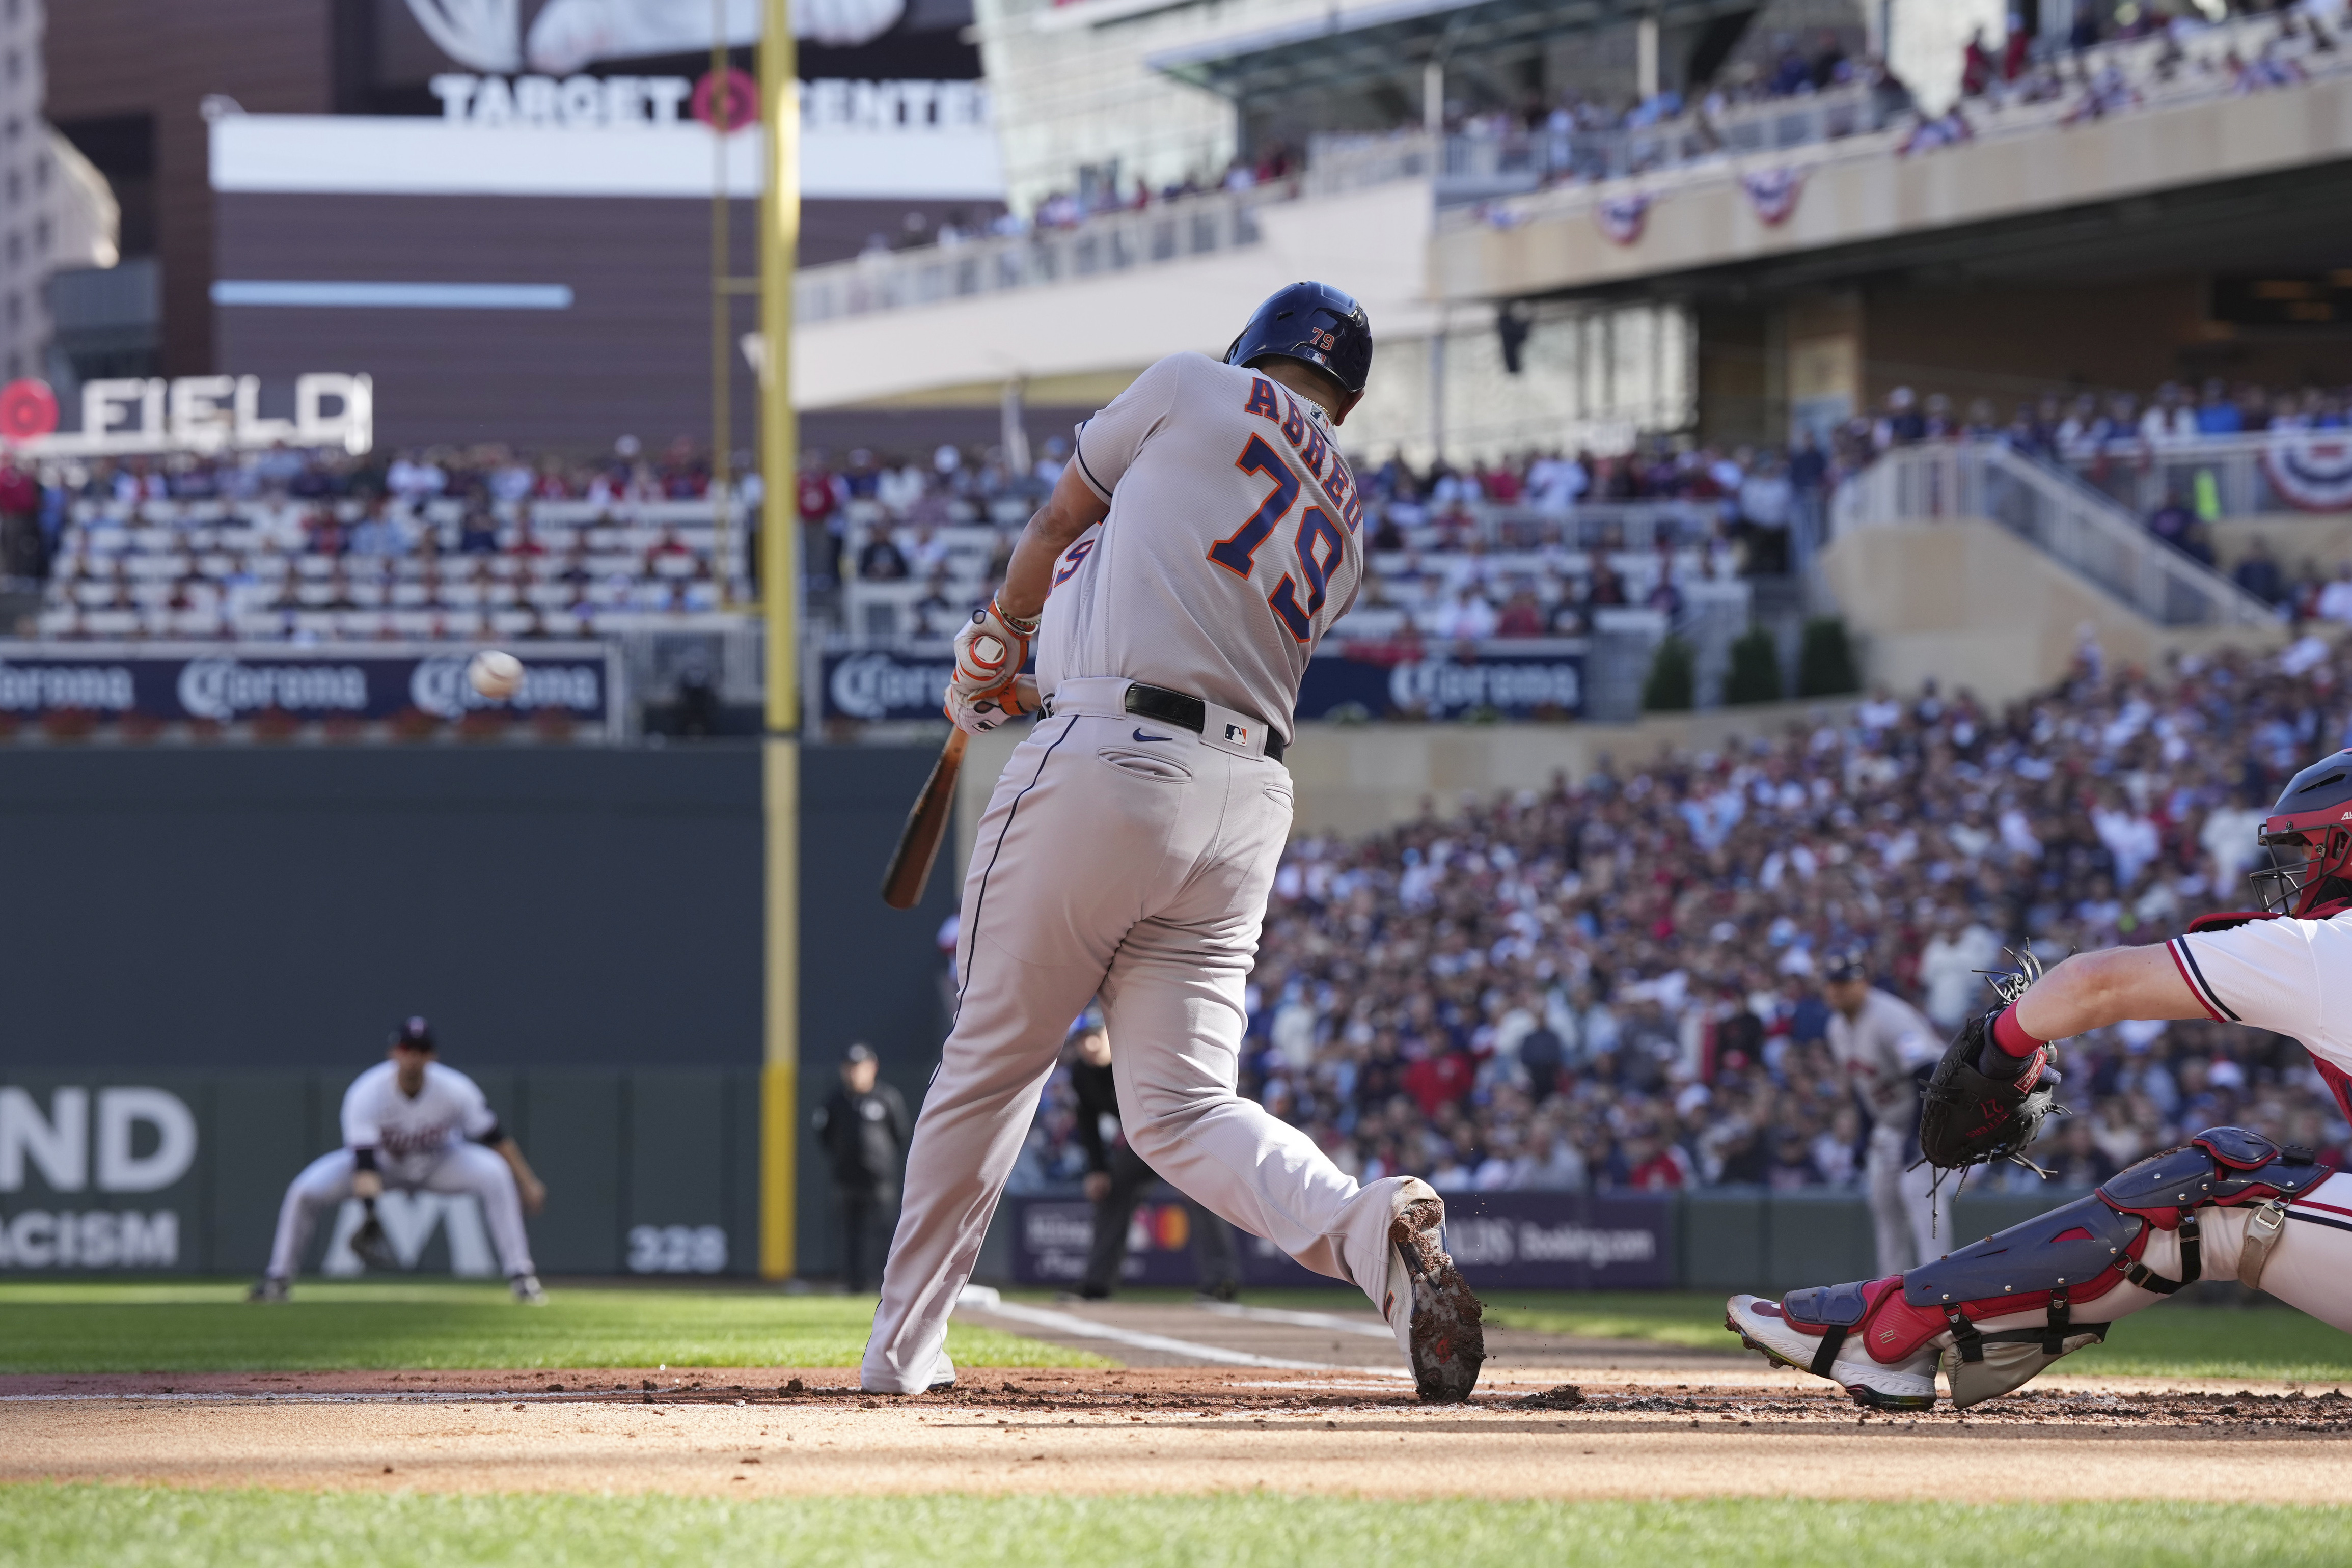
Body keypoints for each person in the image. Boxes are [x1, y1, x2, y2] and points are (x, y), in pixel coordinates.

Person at [859, 281, 1486, 1402]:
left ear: (1253, 346)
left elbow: (1059, 531)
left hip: (1114, 761)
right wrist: (1016, 676)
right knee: (1185, 1106)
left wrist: (997, 641)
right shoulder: (1344, 521)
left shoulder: (1191, 383)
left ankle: (902, 1354)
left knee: (994, 1058)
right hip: (1242, 802)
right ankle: (1362, 1227)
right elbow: (1157, 592)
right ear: (1340, 397)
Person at [1729, 750, 2352, 1411]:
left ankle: (1889, 1327)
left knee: (2216, 1190)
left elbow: (2094, 981)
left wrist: (2004, 1046)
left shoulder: (2330, 947)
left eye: (2312, 847)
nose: (2298, 870)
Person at [249, 1017, 547, 1303]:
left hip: (441, 1163)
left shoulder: (456, 1090)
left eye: (421, 1050)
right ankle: (279, 1278)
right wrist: (369, 1213)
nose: (413, 1057)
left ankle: (522, 1274)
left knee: (495, 1172)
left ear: (432, 1056)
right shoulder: (367, 1091)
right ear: (393, 1052)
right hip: (383, 1166)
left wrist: (528, 1181)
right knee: (305, 1190)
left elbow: (494, 1137)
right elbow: (364, 1162)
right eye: (407, 1049)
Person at [1064, 1021, 1241, 1300]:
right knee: (1112, 1192)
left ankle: (1221, 1282)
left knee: (1203, 1197)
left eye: (1095, 1037)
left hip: (1182, 1132)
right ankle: (1096, 1284)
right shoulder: (1081, 1072)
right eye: (1081, 1040)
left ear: (1111, 1035)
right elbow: (1087, 1121)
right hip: (1143, 1141)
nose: (1089, 1046)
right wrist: (1097, 1169)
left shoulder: (1137, 1056)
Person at [1820, 951, 1946, 1276]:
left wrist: (1920, 1135)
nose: (1838, 991)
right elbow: (1865, 1087)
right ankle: (1891, 1292)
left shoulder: (1889, 1017)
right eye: (1833, 984)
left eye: (1846, 983)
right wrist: (1864, 1135)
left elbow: (1930, 1072)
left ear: (1863, 983)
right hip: (1891, 1123)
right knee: (1883, 1203)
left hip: (1934, 1118)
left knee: (1920, 1197)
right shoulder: (1836, 1027)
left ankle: (1941, 1288)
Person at [811, 1043, 910, 1293]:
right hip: (847, 1179)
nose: (854, 1073)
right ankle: (853, 1284)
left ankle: (887, 1285)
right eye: (850, 1067)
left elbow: (900, 1133)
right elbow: (824, 1135)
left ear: (873, 1068)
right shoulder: (835, 1101)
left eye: (860, 1067)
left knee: (884, 1233)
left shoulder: (887, 1097)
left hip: (879, 1180)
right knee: (850, 1235)